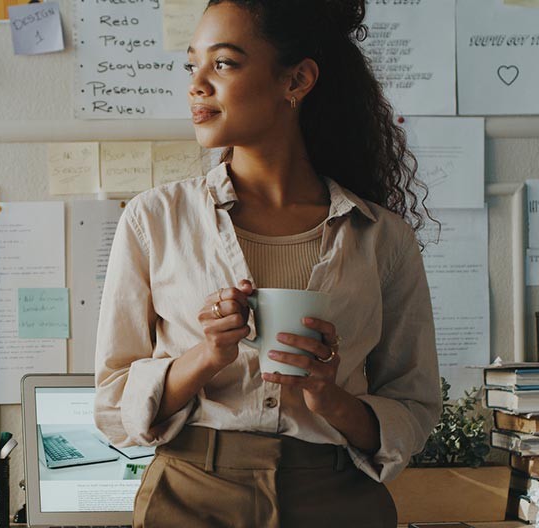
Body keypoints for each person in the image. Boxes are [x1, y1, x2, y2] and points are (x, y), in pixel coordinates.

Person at [93, 1, 443, 526]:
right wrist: (207, 356)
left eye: (224, 63)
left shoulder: (383, 237)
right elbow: (113, 403)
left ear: (296, 80)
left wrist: (330, 398)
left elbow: (413, 407)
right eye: (193, 65)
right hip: (190, 496)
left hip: (338, 500)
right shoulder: (153, 220)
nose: (197, 85)